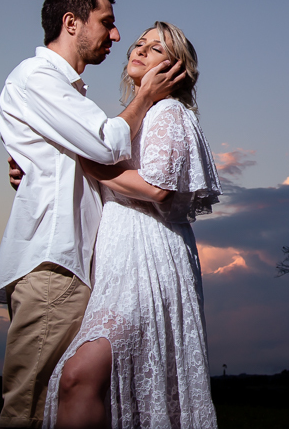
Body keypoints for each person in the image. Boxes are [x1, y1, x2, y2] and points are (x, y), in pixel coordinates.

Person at [0, 0, 185, 428]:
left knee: (60, 401)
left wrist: (33, 169)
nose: (116, 36)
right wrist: (143, 99)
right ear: (71, 22)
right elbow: (104, 143)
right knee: (30, 409)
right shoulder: (36, 77)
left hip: (76, 268)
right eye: (108, 23)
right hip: (55, 267)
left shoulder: (69, 92)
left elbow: (75, 159)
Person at [43, 22, 222, 429]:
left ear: (176, 68)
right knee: (86, 380)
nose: (139, 50)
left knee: (79, 375)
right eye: (138, 45)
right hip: (118, 267)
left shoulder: (169, 112)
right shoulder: (136, 118)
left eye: (155, 47)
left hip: (151, 264)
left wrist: (90, 167)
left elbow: (157, 190)